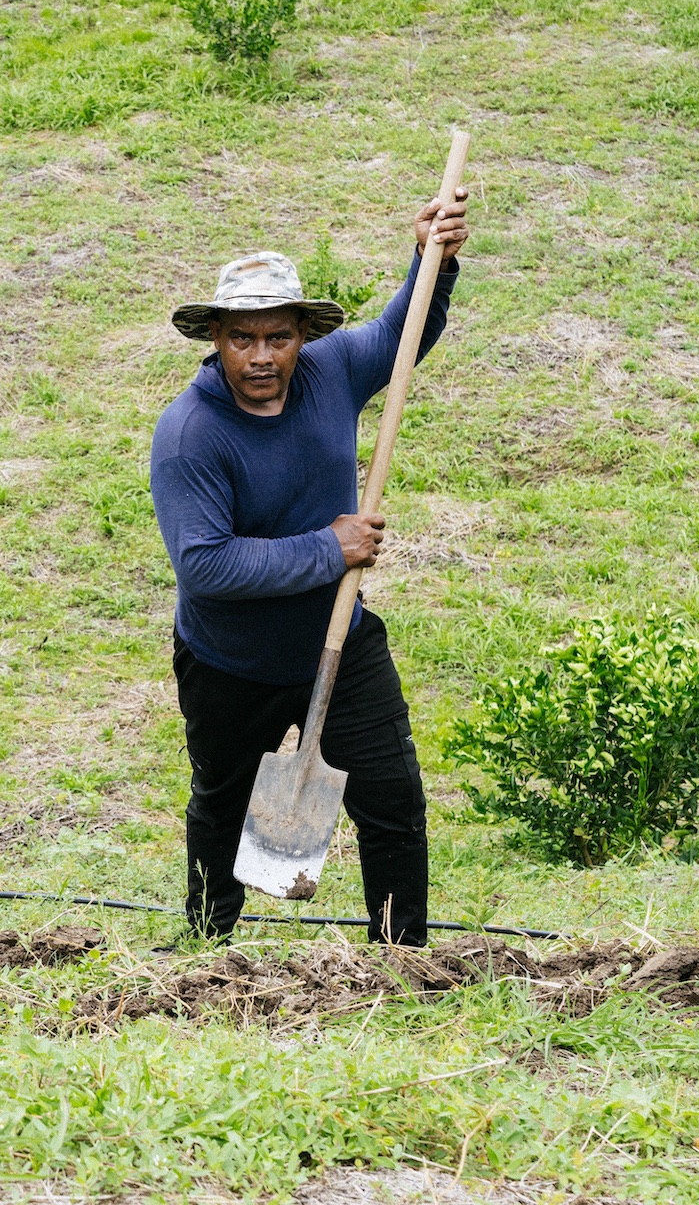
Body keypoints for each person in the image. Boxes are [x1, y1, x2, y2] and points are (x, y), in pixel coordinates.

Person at [150, 190, 470, 947]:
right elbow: (205, 566)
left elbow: (402, 332)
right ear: (217, 339)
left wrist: (436, 262)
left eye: (278, 337)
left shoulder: (330, 374)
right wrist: (332, 548)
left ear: (302, 337)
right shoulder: (191, 433)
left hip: (341, 638)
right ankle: (203, 948)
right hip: (231, 662)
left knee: (391, 798)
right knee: (222, 804)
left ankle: (403, 960)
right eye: (243, 339)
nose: (262, 357)